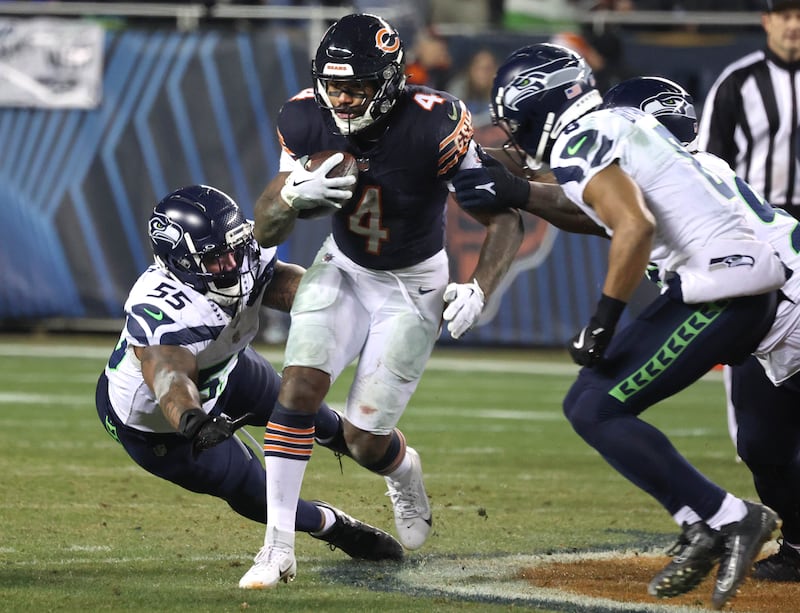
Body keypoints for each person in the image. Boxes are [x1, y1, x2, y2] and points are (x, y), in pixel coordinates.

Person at [487, 43, 787, 610]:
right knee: (595, 405)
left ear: (539, 105)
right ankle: (706, 520)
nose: (512, 132)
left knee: (593, 407)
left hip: (726, 288)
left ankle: (730, 518)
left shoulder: (582, 140)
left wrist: (602, 321)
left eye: (513, 118)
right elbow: (614, 212)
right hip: (735, 285)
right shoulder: (618, 120)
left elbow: (633, 226)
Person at [238, 13, 525, 589]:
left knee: (364, 441)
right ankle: (276, 548)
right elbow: (266, 231)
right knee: (296, 388)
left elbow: (504, 218)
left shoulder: (435, 124)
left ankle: (403, 467)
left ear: (390, 81)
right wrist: (292, 195)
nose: (340, 99)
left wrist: (480, 286)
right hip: (342, 266)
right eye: (333, 85)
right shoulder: (303, 115)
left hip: (412, 281)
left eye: (356, 87)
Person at [94, 184, 404, 568]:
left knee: (322, 420)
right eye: (215, 258)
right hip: (160, 426)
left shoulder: (239, 249)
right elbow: (169, 378)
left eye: (232, 248)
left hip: (228, 365)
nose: (230, 262)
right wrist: (194, 421)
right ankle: (333, 525)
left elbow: (275, 281)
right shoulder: (164, 305)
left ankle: (400, 469)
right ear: (181, 263)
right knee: (256, 494)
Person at [602, 75, 800, 585]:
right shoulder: (676, 173)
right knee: (762, 444)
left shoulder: (672, 178)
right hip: (767, 324)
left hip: (789, 310)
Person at [698, 0, 800, 220]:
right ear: (767, 22)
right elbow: (710, 157)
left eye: (799, 17)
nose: (793, 26)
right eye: (785, 17)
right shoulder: (738, 80)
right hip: (757, 214)